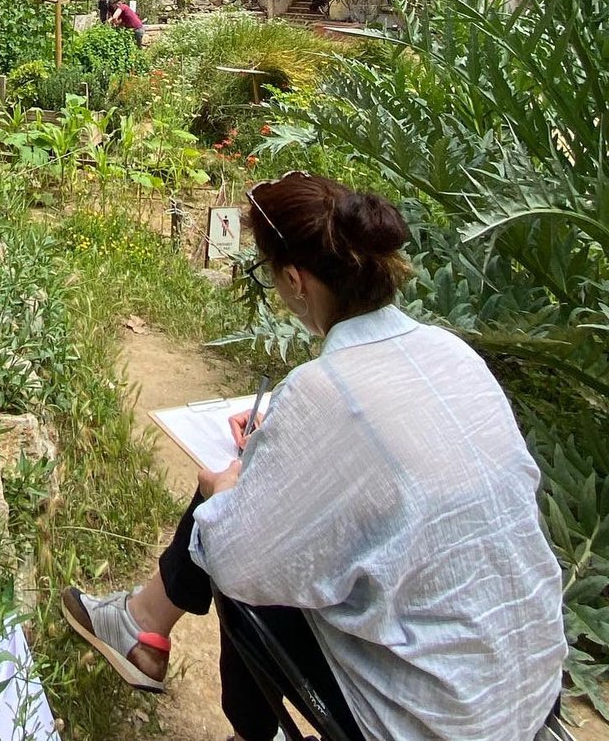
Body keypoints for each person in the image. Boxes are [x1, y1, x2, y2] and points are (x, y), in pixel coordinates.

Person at [62, 171, 566, 741]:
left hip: (439, 717)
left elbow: (239, 560)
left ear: (298, 283)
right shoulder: (450, 351)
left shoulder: (322, 390)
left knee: (230, 537)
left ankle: (224, 704)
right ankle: (141, 625)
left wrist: (225, 495)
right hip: (531, 682)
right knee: (256, 507)